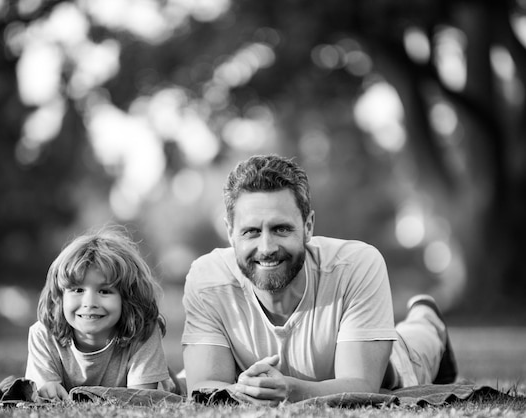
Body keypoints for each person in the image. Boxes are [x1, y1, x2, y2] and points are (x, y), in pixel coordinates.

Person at [181, 154, 457, 405]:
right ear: (230, 233)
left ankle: (428, 321)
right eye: (251, 231)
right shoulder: (208, 279)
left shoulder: (355, 265)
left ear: (308, 227)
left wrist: (290, 391)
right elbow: (203, 386)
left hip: (392, 364)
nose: (266, 247)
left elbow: (362, 385)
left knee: (419, 343)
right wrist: (248, 390)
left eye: (281, 229)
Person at [25, 228, 174, 400]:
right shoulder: (43, 334)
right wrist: (48, 388)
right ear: (60, 296)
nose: (90, 303)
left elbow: (140, 399)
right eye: (77, 289)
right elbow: (43, 396)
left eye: (104, 291)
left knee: (179, 385)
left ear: (127, 298)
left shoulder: (142, 331)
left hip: (167, 384)